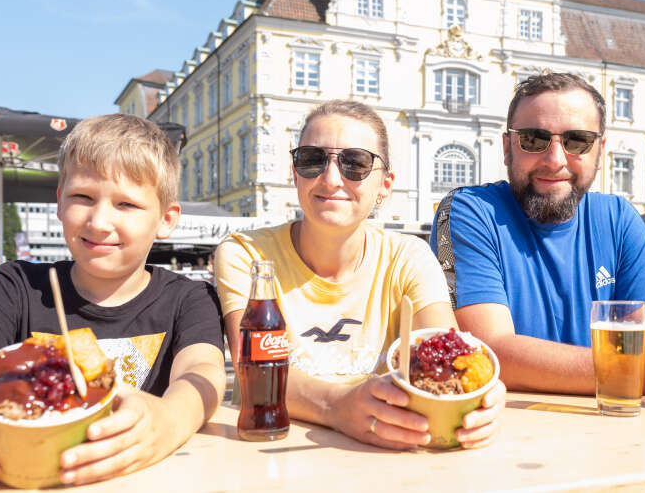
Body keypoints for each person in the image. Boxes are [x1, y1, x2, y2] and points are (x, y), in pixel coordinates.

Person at [215, 100, 504, 450]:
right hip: (270, 453)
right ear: (295, 173)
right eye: (311, 160)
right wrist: (337, 406)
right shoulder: (248, 255)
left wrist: (480, 393)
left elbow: (447, 356)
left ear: (385, 184)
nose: (332, 178)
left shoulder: (407, 256)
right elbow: (254, 376)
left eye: (355, 163)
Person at [431, 72, 645, 396]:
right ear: (507, 147)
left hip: (613, 430)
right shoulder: (468, 210)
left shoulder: (618, 218)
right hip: (510, 432)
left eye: (577, 141)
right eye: (533, 139)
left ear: (599, 151)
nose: (555, 160)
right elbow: (488, 351)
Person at [0, 114, 225, 486]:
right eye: (82, 197)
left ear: (166, 219)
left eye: (126, 205)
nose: (99, 221)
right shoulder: (14, 286)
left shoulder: (189, 298)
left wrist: (170, 420)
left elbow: (204, 372)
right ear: (59, 202)